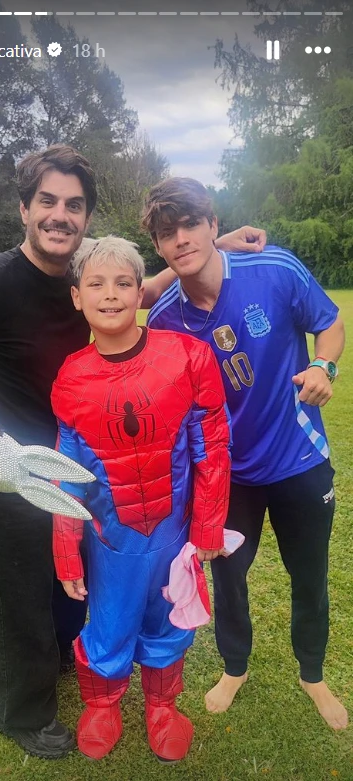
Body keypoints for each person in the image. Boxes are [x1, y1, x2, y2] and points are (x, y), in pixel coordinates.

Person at [0, 143, 267, 759]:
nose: (60, 215)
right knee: (17, 597)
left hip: (102, 478)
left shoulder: (94, 280)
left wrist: (210, 243)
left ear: (86, 217)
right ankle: (24, 712)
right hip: (9, 469)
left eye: (73, 205)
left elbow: (136, 287)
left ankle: (121, 686)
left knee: (82, 597)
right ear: (24, 209)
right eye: (47, 201)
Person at [143, 177, 348, 731]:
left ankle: (312, 674)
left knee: (309, 574)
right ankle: (235, 667)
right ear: (159, 245)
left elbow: (329, 323)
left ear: (213, 225)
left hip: (300, 460)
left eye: (192, 225)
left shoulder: (273, 270)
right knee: (228, 578)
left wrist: (324, 366)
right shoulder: (165, 320)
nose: (182, 239)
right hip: (226, 477)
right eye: (168, 233)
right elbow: (125, 302)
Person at [51, 236, 231, 762]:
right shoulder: (72, 378)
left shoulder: (188, 356)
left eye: (123, 283)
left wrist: (208, 525)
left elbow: (212, 446)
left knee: (167, 622)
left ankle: (162, 708)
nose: (111, 294)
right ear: (77, 297)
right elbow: (66, 477)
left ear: (140, 293)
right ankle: (102, 705)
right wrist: (67, 553)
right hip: (112, 543)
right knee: (109, 624)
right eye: (96, 284)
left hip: (173, 536)